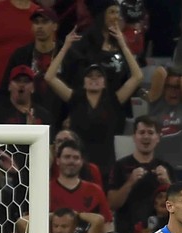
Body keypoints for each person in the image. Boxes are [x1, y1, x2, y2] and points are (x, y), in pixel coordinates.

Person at [45, 27, 143, 178]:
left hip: (106, 166)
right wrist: (65, 47)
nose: (94, 78)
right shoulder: (75, 99)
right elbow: (49, 77)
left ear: (105, 83)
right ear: (83, 82)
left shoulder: (114, 100)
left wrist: (123, 44)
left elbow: (137, 76)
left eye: (99, 76)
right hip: (78, 166)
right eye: (90, 76)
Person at [107, 116, 174, 233]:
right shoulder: (120, 166)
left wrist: (167, 182)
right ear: (134, 136)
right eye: (141, 132)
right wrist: (130, 182)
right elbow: (112, 204)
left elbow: (181, 206)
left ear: (158, 137)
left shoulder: (166, 168)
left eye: (150, 133)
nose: (146, 137)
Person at [147, 66, 182, 181]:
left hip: (181, 169)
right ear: (163, 88)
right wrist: (167, 71)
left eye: (177, 87)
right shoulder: (156, 104)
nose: (173, 91)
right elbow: (159, 73)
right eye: (169, 87)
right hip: (157, 167)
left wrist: (181, 82)